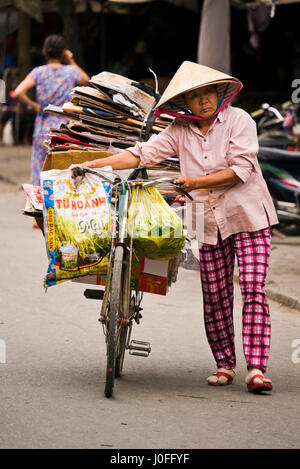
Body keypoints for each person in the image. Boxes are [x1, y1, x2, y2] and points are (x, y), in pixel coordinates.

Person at [74, 61, 279, 394]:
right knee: (215, 294)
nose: (202, 102)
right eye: (194, 97)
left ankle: (256, 368)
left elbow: (239, 170)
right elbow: (142, 154)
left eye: (206, 93)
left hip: (248, 216)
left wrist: (194, 180)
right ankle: (225, 363)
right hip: (206, 220)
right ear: (186, 104)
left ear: (218, 92)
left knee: (254, 288)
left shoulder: (240, 120)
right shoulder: (179, 132)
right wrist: (93, 164)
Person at [13, 34, 89, 188]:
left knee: (40, 168)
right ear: (63, 52)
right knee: (64, 168)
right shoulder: (70, 71)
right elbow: (86, 80)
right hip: (65, 127)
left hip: (43, 125)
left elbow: (19, 92)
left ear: (44, 52)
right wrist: (71, 60)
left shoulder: (39, 72)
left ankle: (39, 204)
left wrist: (33, 105)